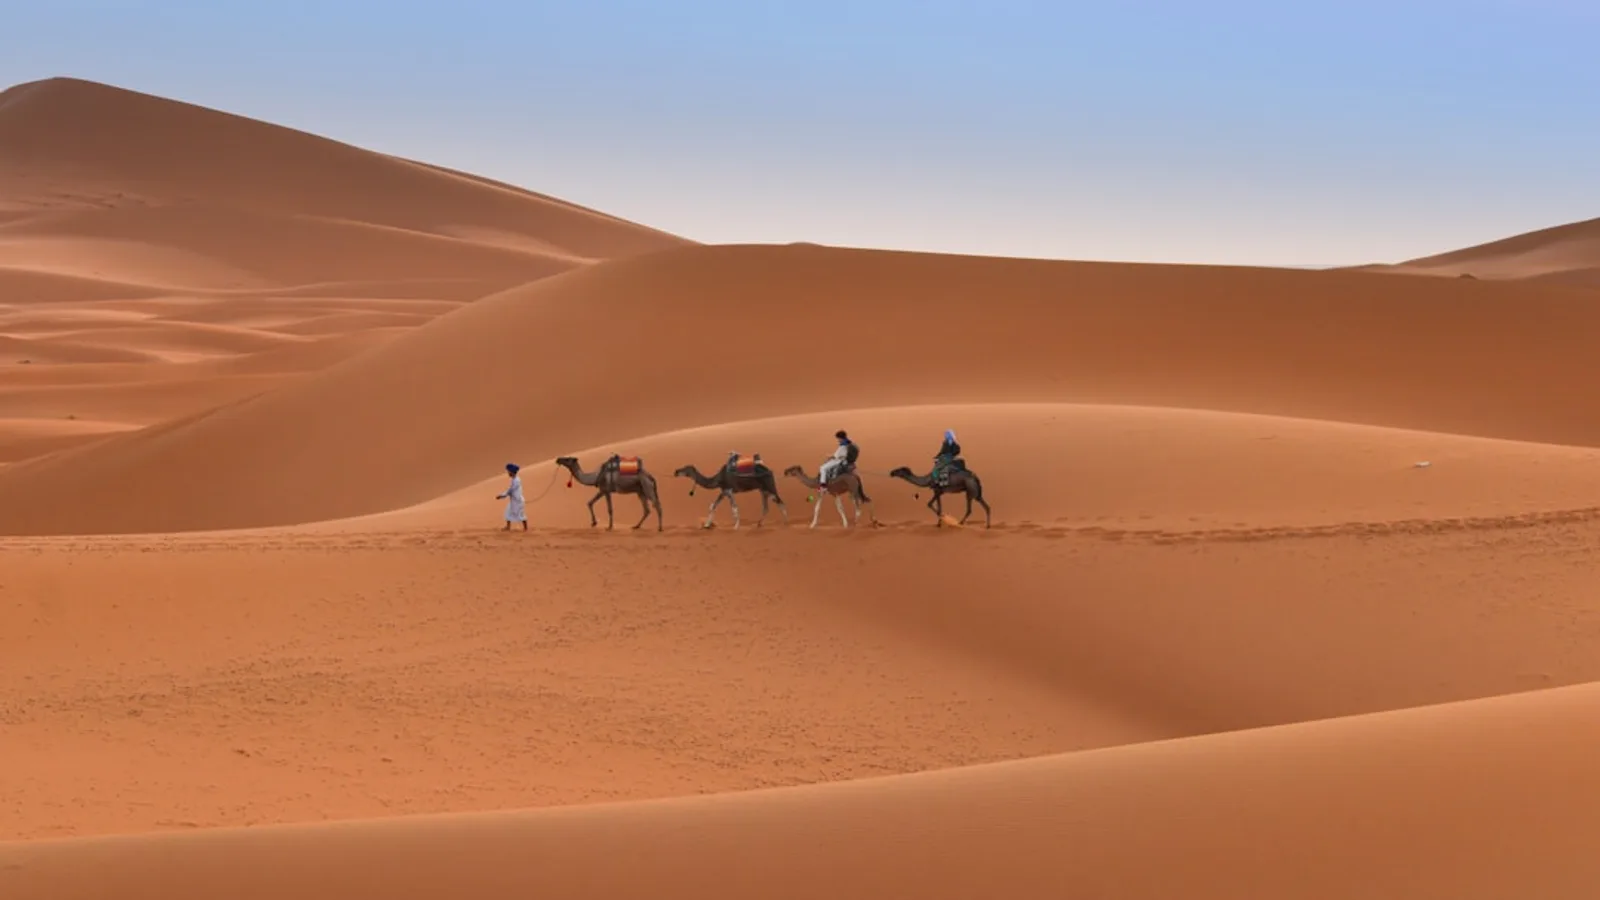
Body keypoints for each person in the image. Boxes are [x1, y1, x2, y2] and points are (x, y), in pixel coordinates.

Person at [497, 463, 527, 531]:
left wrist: (502, 495)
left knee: (520, 514)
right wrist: (503, 495)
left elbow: (511, 490)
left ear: (512, 472)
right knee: (508, 512)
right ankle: (508, 527)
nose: (508, 473)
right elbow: (510, 490)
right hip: (513, 500)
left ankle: (525, 528)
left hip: (518, 501)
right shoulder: (514, 479)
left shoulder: (516, 480)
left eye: (509, 471)